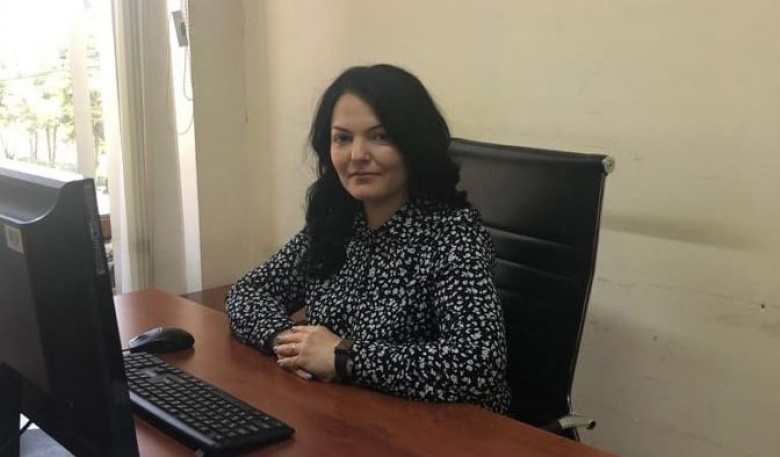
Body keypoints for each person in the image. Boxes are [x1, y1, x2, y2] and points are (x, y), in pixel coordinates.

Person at [225, 64, 510, 414]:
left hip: (438, 428)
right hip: (343, 414)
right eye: (342, 138)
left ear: (414, 145)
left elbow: (478, 362)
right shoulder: (337, 223)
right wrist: (290, 343)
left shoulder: (452, 235)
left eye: (380, 136)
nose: (357, 155)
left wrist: (344, 356)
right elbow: (248, 292)